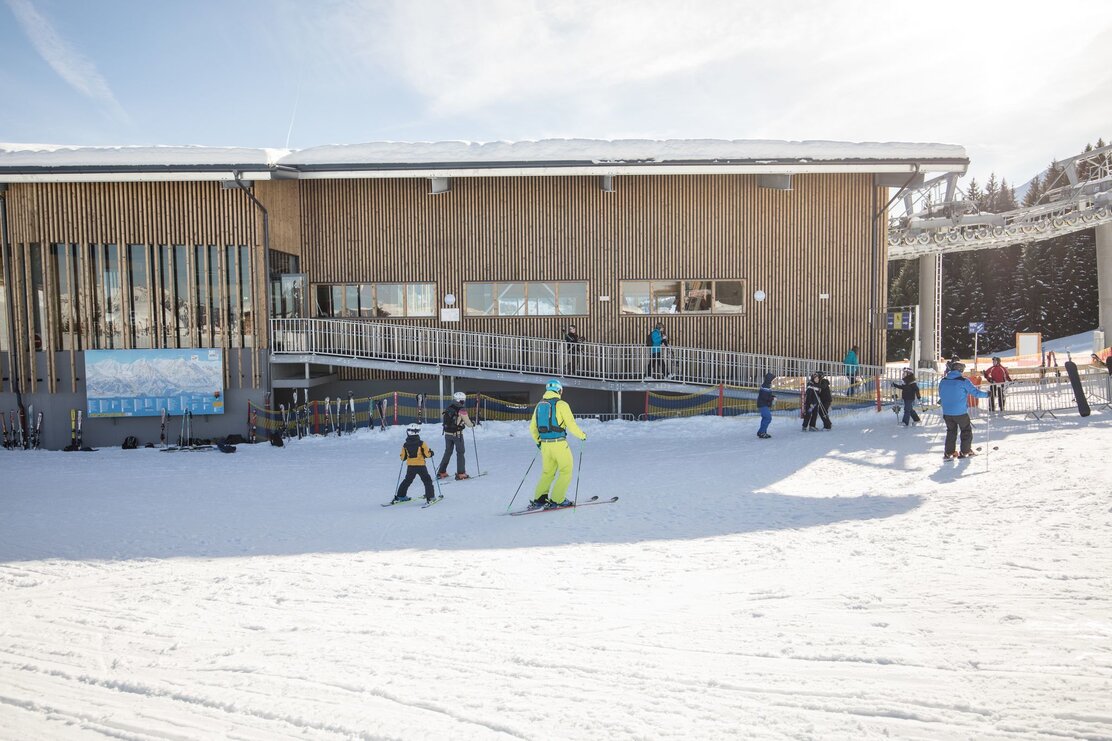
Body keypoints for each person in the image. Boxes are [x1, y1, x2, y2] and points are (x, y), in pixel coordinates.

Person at [529, 379, 588, 509]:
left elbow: (532, 427)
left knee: (547, 472)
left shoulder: (539, 405)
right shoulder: (562, 404)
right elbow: (571, 425)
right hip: (559, 444)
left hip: (545, 445)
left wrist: (538, 442)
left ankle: (540, 498)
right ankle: (557, 499)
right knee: (566, 470)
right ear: (559, 390)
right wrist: (582, 435)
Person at [938, 361, 989, 460]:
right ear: (960, 370)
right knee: (966, 430)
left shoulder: (943, 380)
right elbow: (976, 393)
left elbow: (941, 393)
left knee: (951, 431)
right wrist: (987, 394)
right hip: (960, 412)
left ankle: (949, 452)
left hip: (947, 412)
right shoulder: (963, 381)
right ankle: (965, 451)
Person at [393, 424, 436, 504]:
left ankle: (401, 496)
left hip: (411, 466)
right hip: (421, 466)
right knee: (427, 480)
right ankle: (430, 497)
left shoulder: (405, 445)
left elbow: (403, 458)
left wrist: (403, 456)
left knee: (407, 480)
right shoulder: (422, 443)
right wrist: (431, 453)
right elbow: (427, 454)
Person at [436, 391, 474, 480]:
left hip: (447, 434)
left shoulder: (449, 407)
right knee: (460, 453)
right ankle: (461, 473)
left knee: (448, 452)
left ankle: (441, 472)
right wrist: (472, 424)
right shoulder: (462, 409)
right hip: (457, 435)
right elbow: (468, 423)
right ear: (461, 400)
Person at [756, 372, 776, 439]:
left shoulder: (766, 385)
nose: (772, 381)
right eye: (772, 379)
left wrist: (772, 396)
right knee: (768, 418)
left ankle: (762, 432)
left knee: (765, 418)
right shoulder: (765, 386)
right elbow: (765, 397)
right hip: (763, 405)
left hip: (763, 404)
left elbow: (766, 395)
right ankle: (762, 432)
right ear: (769, 379)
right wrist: (772, 398)